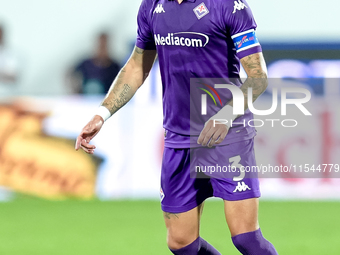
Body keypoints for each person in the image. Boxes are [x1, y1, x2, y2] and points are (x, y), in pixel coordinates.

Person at [75, 0, 279, 254]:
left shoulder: (228, 5)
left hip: (227, 135)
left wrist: (225, 115)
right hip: (179, 138)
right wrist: (102, 113)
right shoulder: (152, 6)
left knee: (245, 238)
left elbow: (258, 76)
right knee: (181, 243)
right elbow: (137, 67)